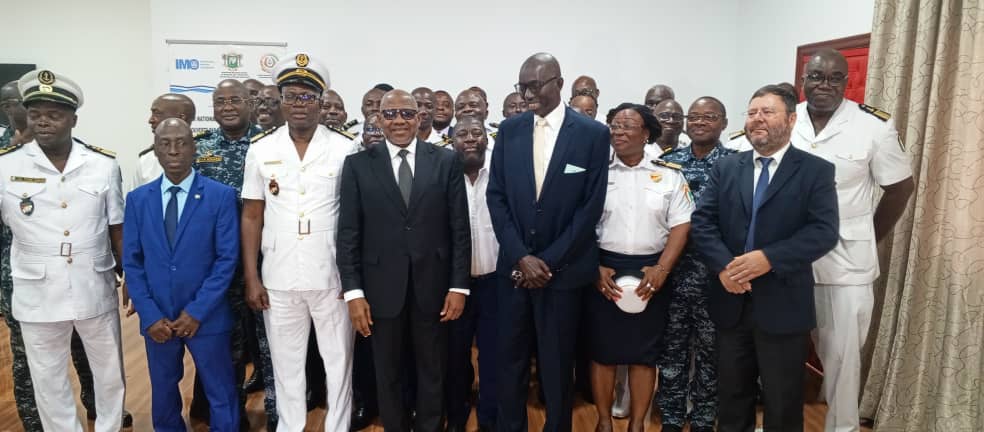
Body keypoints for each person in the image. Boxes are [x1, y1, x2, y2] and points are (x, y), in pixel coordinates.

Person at [690, 85, 840, 432]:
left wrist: (769, 258)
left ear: (791, 119)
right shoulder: (727, 167)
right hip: (732, 301)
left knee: (783, 402)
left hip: (784, 304)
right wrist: (725, 268)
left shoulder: (815, 171)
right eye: (752, 112)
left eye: (767, 112)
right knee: (731, 398)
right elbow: (703, 222)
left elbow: (823, 231)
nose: (757, 119)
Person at [488, 52, 610, 432]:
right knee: (510, 363)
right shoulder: (509, 131)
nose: (527, 94)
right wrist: (521, 257)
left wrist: (548, 261)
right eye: (521, 86)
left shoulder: (592, 134)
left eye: (535, 86)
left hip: (564, 273)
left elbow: (590, 207)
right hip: (515, 272)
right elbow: (496, 197)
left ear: (559, 82)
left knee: (558, 366)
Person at [794, 49, 914, 432]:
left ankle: (842, 428)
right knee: (780, 351)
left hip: (845, 263)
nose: (824, 84)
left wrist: (870, 237)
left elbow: (900, 188)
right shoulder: (785, 118)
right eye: (816, 76)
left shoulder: (873, 125)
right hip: (786, 260)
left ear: (847, 82)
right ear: (804, 80)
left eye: (835, 78)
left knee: (842, 359)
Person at [337, 89, 471, 432]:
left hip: (435, 286)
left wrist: (458, 286)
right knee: (388, 372)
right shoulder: (357, 166)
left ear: (419, 117)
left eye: (407, 113)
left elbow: (459, 229)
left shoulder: (446, 160)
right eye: (390, 114)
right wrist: (353, 293)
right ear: (379, 119)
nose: (399, 120)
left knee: (432, 369)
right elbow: (348, 234)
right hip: (380, 289)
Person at [0, 69, 126, 432]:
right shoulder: (6, 165)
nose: (43, 122)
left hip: (93, 281)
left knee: (109, 372)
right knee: (48, 376)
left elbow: (116, 226)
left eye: (54, 115)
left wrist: (130, 274)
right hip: (36, 286)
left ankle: (110, 427)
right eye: (35, 114)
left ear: (73, 119)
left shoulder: (102, 164)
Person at [241, 53, 359, 432]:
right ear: (280, 101)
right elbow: (252, 214)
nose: (299, 104)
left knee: (338, 361)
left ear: (321, 102)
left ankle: (337, 426)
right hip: (279, 274)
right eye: (291, 96)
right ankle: (290, 426)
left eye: (307, 97)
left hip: (332, 274)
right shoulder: (261, 149)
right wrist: (252, 277)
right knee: (286, 364)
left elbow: (356, 216)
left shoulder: (345, 147)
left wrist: (353, 279)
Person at [123, 118, 241, 431]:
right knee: (163, 391)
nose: (174, 150)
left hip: (206, 316)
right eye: (165, 144)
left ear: (194, 148)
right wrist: (149, 316)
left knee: (220, 389)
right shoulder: (138, 200)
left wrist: (197, 311)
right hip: (157, 317)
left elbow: (226, 259)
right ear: (155, 150)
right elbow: (132, 262)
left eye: (182, 143)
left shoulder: (220, 196)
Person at [589, 103, 691, 432]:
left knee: (644, 354)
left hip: (651, 272)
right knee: (603, 351)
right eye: (615, 125)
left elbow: (681, 225)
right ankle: (604, 422)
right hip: (605, 269)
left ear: (646, 133)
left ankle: (637, 425)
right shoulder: (598, 171)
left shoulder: (669, 173)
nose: (618, 131)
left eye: (627, 126)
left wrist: (662, 268)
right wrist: (593, 266)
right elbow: (579, 223)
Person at [657, 96, 737, 432]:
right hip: (673, 274)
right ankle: (672, 416)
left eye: (710, 116)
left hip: (716, 277)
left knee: (711, 353)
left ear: (724, 123)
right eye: (695, 116)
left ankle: (704, 417)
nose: (700, 122)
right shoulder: (667, 162)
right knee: (671, 351)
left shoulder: (736, 164)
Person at [190, 78, 263, 430]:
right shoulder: (199, 147)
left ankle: (277, 409)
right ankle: (232, 413)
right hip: (218, 264)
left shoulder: (268, 142)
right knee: (227, 342)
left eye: (235, 100)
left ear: (250, 103)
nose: (228, 107)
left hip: (265, 258)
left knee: (267, 342)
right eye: (220, 101)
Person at [444, 115, 500, 432]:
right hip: (455, 286)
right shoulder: (443, 176)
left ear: (486, 139)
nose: (469, 138)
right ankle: (457, 413)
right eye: (462, 134)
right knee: (455, 354)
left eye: (476, 132)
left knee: (493, 354)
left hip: (496, 282)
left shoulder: (500, 174)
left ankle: (490, 416)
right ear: (452, 141)